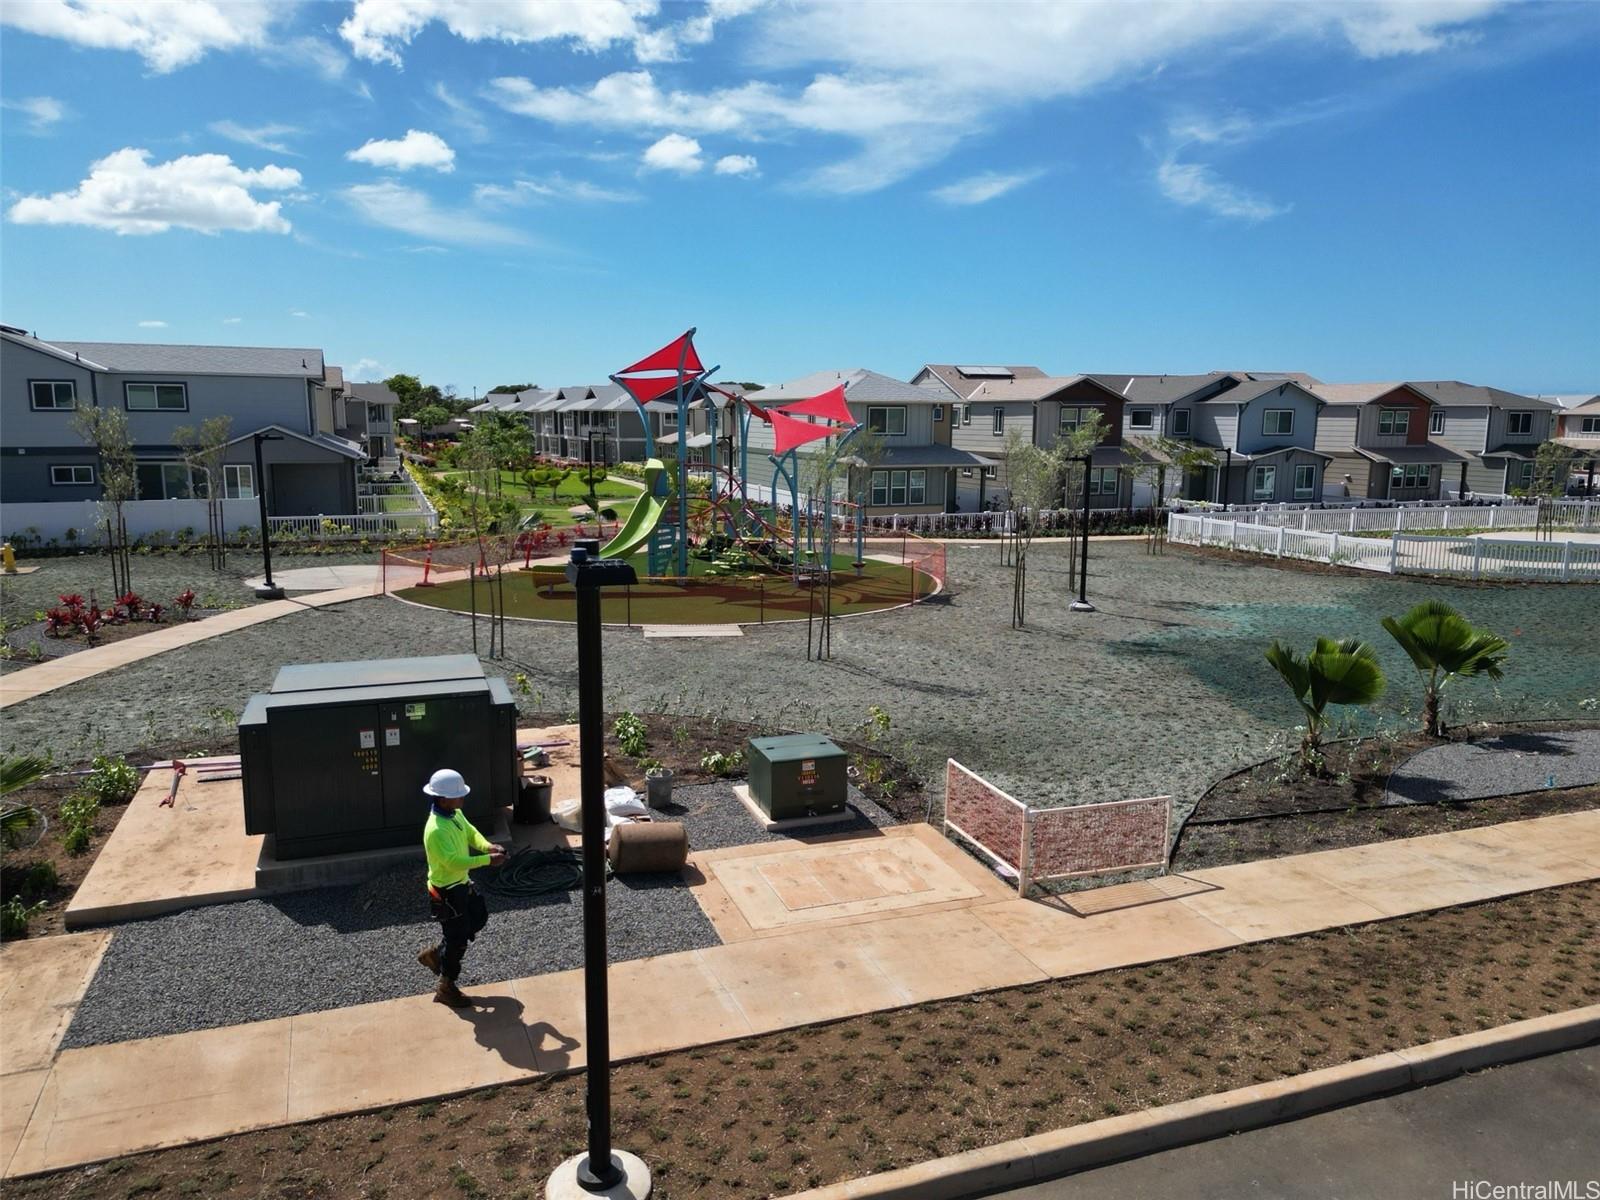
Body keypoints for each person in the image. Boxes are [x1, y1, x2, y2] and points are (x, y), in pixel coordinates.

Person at [417, 767, 506, 1007]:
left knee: (478, 917)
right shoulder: (435, 829)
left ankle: (437, 955)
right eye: (459, 795)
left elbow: (470, 832)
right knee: (458, 940)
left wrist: (487, 847)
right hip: (447, 890)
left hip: (461, 884)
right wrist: (487, 860)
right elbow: (452, 863)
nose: (463, 798)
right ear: (444, 799)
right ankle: (446, 987)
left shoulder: (454, 814)